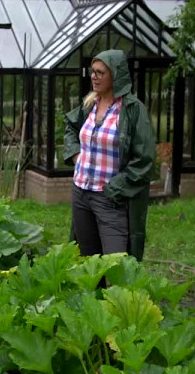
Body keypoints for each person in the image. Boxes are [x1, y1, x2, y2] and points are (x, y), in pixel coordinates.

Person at [63, 49, 155, 262]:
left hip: (110, 197)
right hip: (81, 194)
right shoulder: (90, 105)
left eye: (100, 72)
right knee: (88, 261)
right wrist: (76, 155)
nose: (94, 77)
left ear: (116, 75)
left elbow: (144, 160)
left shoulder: (132, 110)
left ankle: (116, 296)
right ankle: (93, 297)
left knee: (115, 263)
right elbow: (71, 127)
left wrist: (115, 188)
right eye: (92, 72)